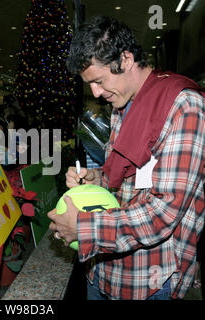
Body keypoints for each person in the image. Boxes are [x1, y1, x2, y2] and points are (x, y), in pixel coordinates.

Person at [47, 16, 204, 300]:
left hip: (149, 280)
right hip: (103, 270)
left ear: (126, 59)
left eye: (99, 80)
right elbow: (122, 180)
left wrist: (83, 227)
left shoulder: (183, 105)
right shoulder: (123, 103)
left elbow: (164, 213)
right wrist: (97, 180)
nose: (95, 93)